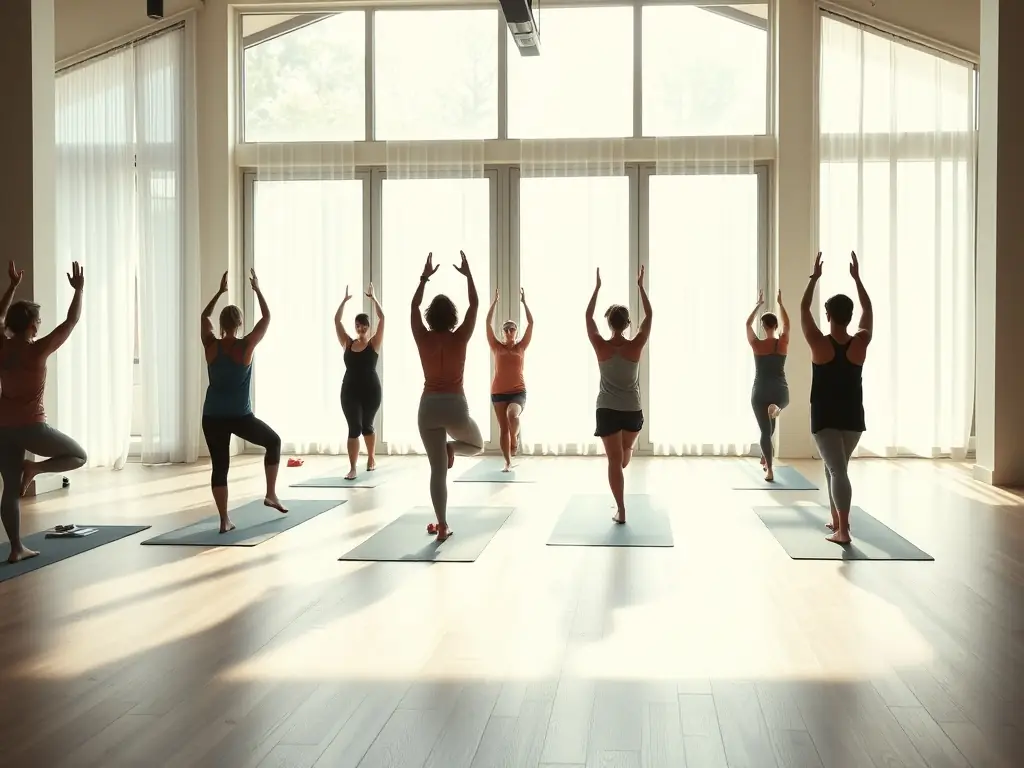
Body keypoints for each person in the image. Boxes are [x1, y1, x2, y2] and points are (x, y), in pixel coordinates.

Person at [0, 260, 88, 563]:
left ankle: (15, 548)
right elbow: (71, 321)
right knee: (79, 456)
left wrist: (11, 287)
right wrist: (78, 291)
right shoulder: (36, 350)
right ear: (31, 324)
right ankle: (34, 469)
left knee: (9, 490)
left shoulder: (3, 346)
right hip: (32, 427)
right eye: (38, 320)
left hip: (3, 428)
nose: (40, 324)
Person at [201, 269, 286, 534]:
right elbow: (267, 317)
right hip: (239, 416)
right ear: (238, 325)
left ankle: (224, 519)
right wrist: (258, 289)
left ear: (222, 324)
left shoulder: (210, 346)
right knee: (273, 442)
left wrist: (219, 293)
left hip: (212, 416)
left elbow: (204, 317)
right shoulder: (245, 347)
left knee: (220, 467)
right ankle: (271, 493)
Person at [800, 251, 872, 545]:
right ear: (850, 316)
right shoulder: (861, 342)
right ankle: (836, 519)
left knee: (837, 469)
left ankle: (843, 531)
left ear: (828, 316)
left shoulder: (819, 343)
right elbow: (869, 310)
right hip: (853, 418)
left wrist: (814, 279)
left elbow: (804, 308)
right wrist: (857, 279)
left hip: (826, 417)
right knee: (834, 468)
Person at [412, 251, 484, 542]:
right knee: (477, 445)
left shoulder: (422, 337)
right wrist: (468, 275)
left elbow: (414, 305)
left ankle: (442, 525)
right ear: (452, 317)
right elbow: (475, 304)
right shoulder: (460, 337)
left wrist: (424, 278)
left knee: (437, 471)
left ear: (431, 316)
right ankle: (452, 448)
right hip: (454, 405)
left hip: (428, 407)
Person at [586, 265, 652, 524]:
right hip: (632, 410)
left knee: (617, 462)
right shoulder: (636, 344)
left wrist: (597, 289)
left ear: (610, 323)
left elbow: (588, 317)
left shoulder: (600, 345)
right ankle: (621, 509)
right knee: (621, 459)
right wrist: (640, 287)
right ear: (627, 324)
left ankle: (621, 509)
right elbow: (650, 316)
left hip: (607, 409)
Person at [335, 283, 384, 480]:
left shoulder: (374, 344)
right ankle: (353, 467)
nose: (360, 328)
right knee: (354, 428)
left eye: (364, 325)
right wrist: (344, 301)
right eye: (357, 325)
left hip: (371, 391)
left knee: (367, 427)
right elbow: (337, 320)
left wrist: (373, 298)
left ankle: (371, 457)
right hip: (350, 391)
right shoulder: (348, 343)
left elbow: (383, 319)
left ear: (368, 327)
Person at [485, 287, 533, 471]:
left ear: (516, 331)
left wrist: (524, 303)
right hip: (498, 392)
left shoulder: (521, 346)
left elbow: (531, 323)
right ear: (503, 332)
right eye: (506, 328)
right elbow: (487, 323)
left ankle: (516, 438)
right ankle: (507, 462)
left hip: (517, 391)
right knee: (503, 429)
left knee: (512, 415)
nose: (509, 330)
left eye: (512, 328)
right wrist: (494, 302)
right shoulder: (496, 346)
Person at [746, 288, 791, 482]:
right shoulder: (782, 343)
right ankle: (778, 408)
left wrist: (758, 305)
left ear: (764, 326)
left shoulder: (757, 344)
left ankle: (770, 470)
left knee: (766, 431)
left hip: (761, 390)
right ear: (775, 325)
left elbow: (747, 324)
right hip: (780, 390)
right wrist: (781, 304)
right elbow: (788, 324)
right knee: (772, 423)